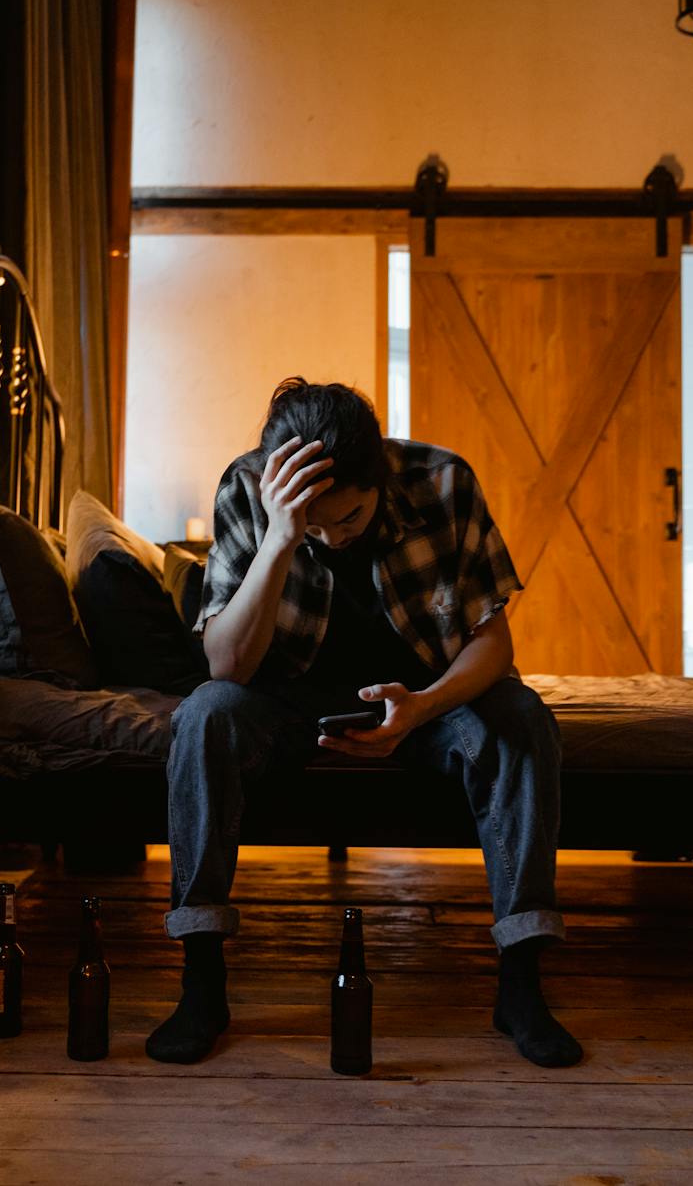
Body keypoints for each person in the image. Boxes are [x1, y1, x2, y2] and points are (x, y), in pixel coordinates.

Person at [145, 378, 581, 1069]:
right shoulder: (248, 489)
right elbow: (225, 665)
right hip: (283, 700)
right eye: (314, 525)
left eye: (347, 520)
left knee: (522, 716)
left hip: (425, 700)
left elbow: (494, 646)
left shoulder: (442, 482)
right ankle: (202, 982)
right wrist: (280, 540)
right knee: (202, 719)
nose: (333, 537)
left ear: (377, 475)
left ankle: (521, 984)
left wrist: (422, 709)